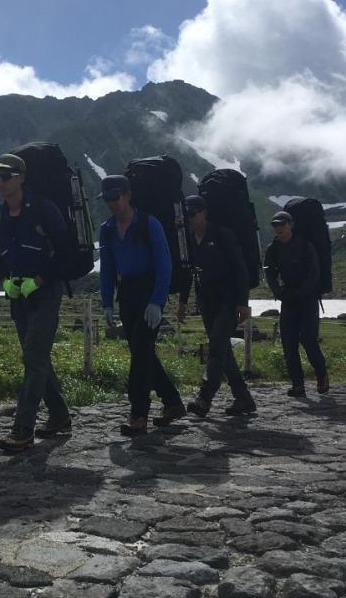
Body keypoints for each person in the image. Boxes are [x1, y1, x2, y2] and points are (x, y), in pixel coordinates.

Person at [0, 152, 72, 452]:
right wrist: (6, 282)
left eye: (6, 176)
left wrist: (40, 280)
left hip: (46, 292)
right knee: (36, 357)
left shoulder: (45, 210)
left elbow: (65, 252)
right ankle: (60, 416)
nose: (0, 182)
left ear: (21, 177)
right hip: (18, 294)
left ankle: (23, 428)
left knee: (33, 357)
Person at [98, 174, 185, 435]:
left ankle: (139, 414)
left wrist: (157, 301)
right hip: (127, 293)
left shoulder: (150, 224)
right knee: (142, 350)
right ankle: (172, 403)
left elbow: (164, 264)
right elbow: (107, 268)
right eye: (108, 199)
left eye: (116, 197)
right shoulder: (107, 229)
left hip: (149, 290)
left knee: (141, 352)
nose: (112, 203)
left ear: (127, 195)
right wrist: (107, 303)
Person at [177, 195, 256, 417]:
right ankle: (243, 398)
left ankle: (205, 397)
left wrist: (243, 302)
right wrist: (183, 301)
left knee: (216, 346)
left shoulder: (222, 235)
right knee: (222, 349)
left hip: (228, 299)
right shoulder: (189, 240)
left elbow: (241, 270)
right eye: (187, 215)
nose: (190, 219)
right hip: (206, 301)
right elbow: (187, 273)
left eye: (192, 214)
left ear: (204, 212)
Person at [264, 210, 329, 397]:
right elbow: (269, 272)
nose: (279, 229)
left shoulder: (305, 246)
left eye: (282, 224)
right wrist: (279, 292)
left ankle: (321, 374)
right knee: (288, 342)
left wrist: (300, 293)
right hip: (288, 299)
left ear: (291, 225)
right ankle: (297, 384)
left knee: (308, 339)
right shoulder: (273, 248)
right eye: (276, 225)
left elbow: (314, 273)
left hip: (307, 299)